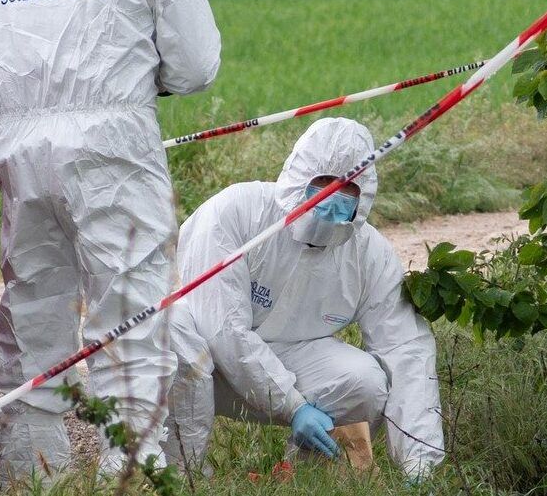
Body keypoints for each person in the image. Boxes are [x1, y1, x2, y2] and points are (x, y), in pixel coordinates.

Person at [0, 0, 221, 484]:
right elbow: (195, 65)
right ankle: (132, 471)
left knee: (32, 307)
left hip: (18, 145)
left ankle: (31, 474)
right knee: (130, 307)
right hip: (111, 143)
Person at [162, 118, 444, 480]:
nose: (330, 204)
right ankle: (178, 477)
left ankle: (304, 478)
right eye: (322, 186)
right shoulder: (236, 212)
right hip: (207, 362)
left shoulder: (368, 253)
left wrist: (421, 466)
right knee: (175, 333)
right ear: (298, 178)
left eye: (346, 194)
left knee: (365, 382)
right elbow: (224, 330)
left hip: (287, 361)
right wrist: (293, 407)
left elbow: (406, 349)